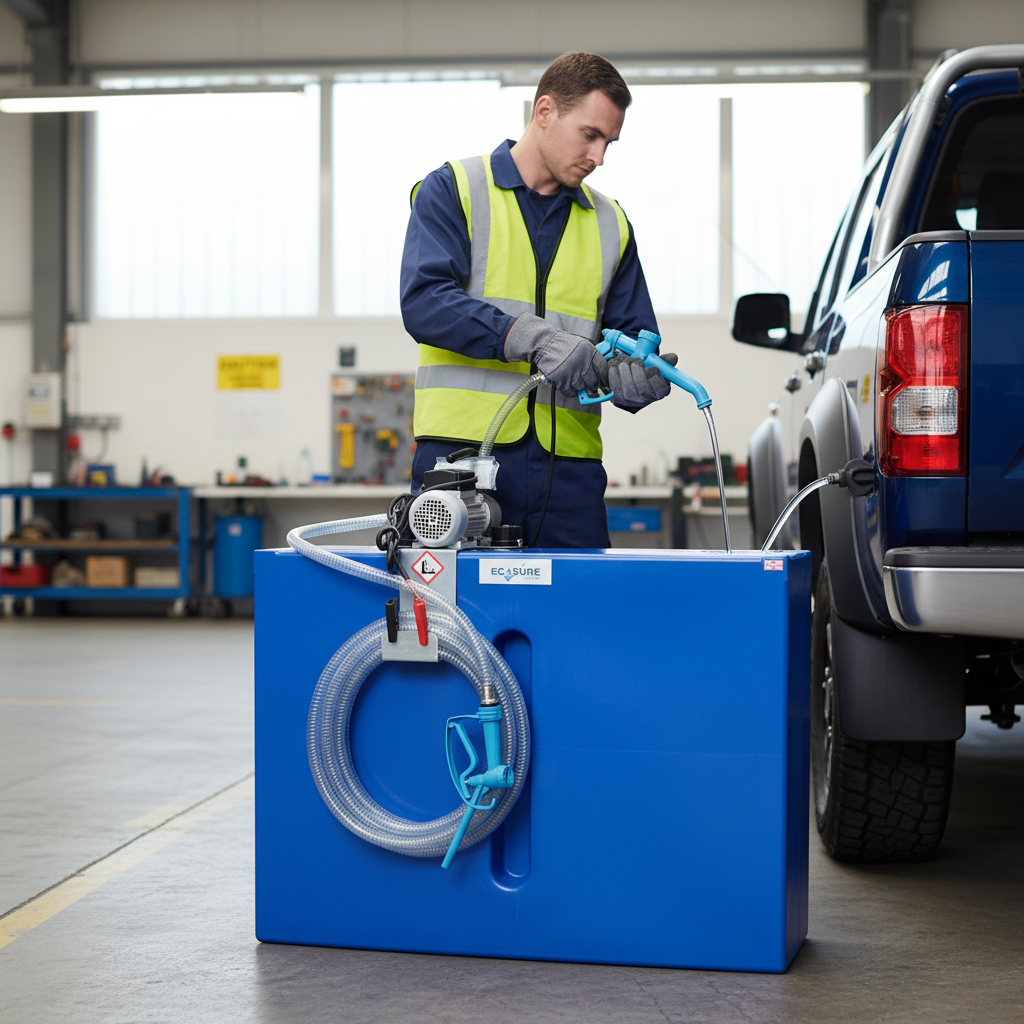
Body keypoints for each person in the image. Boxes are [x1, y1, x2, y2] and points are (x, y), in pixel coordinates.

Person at [400, 51, 675, 548]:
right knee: (458, 600)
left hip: (570, 474)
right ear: (544, 111)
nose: (599, 157)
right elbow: (425, 301)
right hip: (461, 464)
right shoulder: (455, 189)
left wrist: (639, 376)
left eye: (609, 143)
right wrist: (531, 337)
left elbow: (634, 336)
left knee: (579, 601)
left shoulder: (611, 223)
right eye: (589, 135)